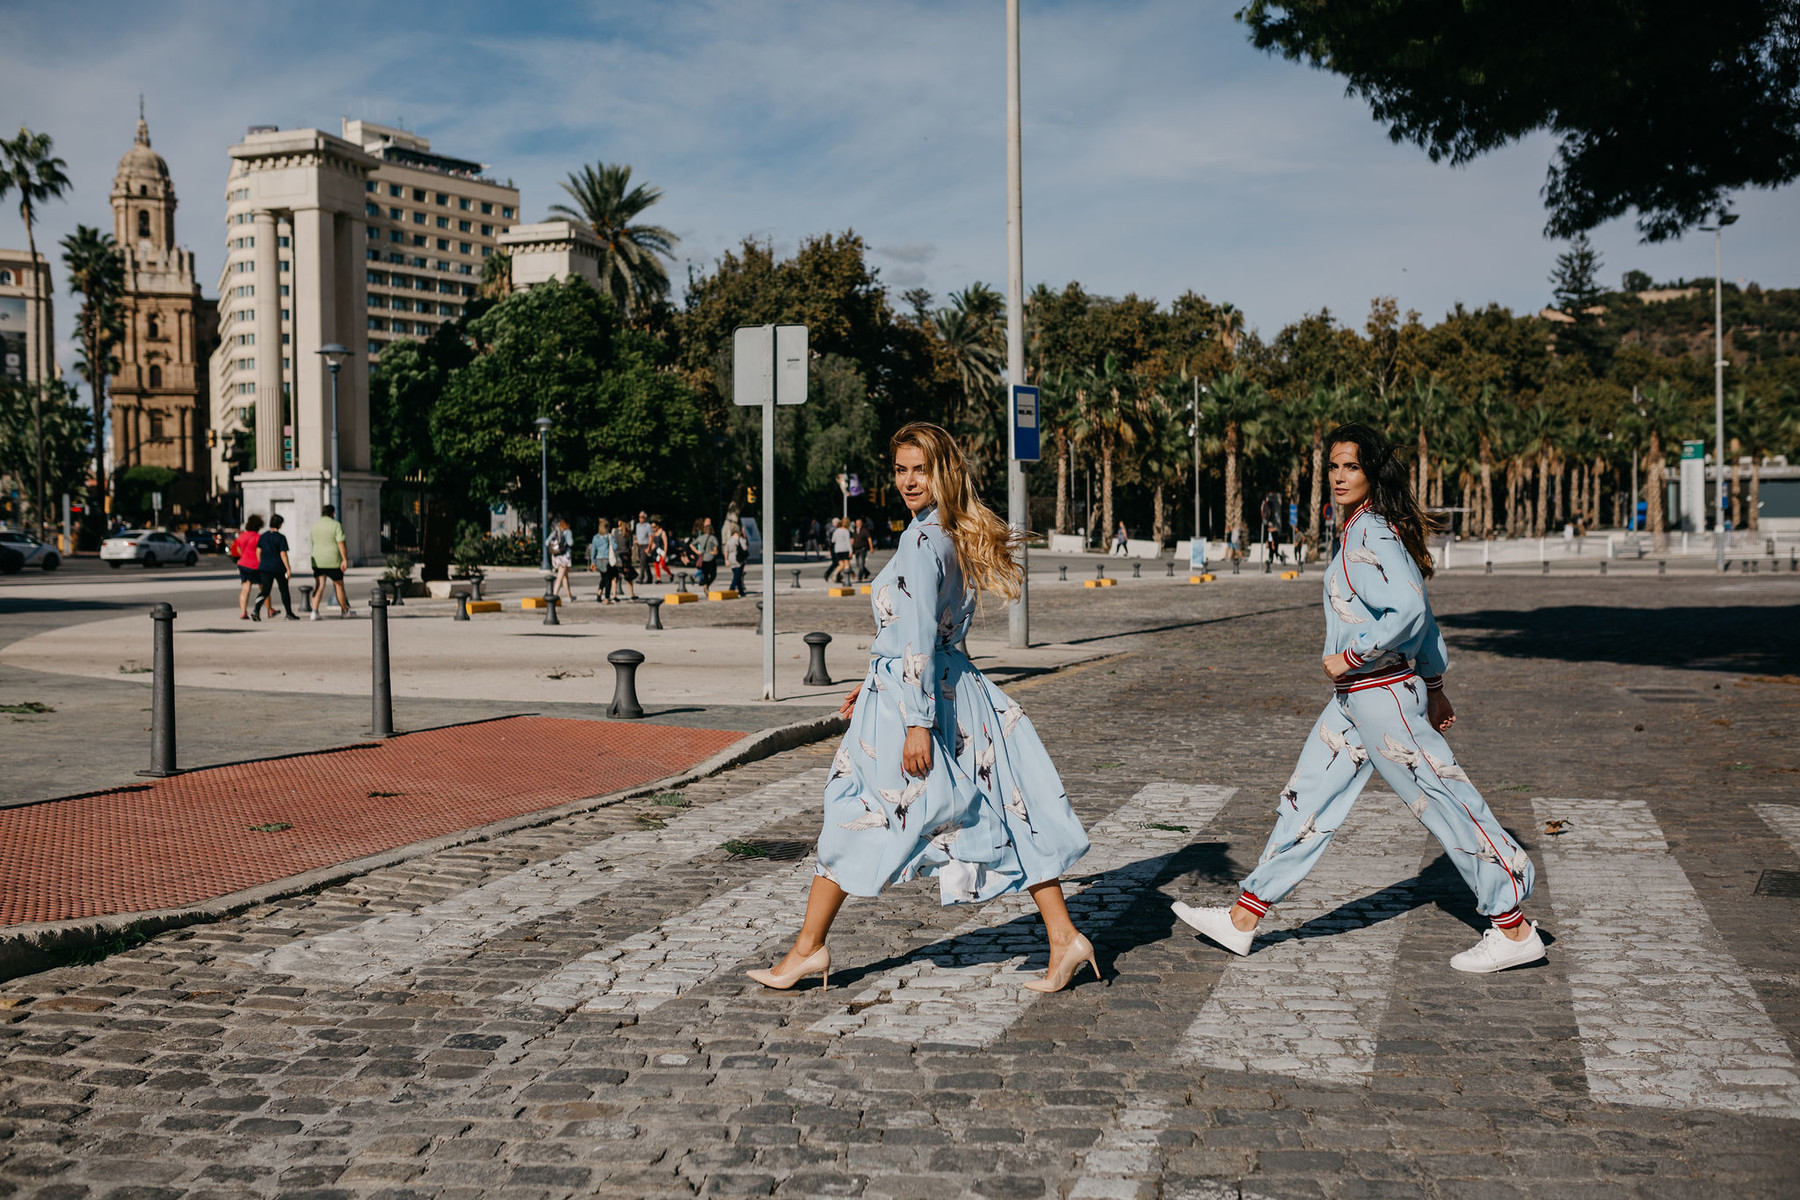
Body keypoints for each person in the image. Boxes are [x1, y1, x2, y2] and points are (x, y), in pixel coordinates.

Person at [1171, 422, 1546, 974]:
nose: (1341, 476)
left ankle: (1512, 927)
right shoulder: (1363, 529)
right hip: (1356, 700)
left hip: (1382, 694)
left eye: (1352, 466)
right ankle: (1243, 918)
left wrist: (1351, 655)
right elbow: (1426, 619)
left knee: (1443, 798)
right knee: (1309, 798)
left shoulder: (1371, 532)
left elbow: (1412, 611)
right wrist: (1436, 685)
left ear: (1371, 471)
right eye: (1335, 466)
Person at [747, 421, 1096, 995]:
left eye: (921, 469)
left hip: (916, 705)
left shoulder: (920, 541)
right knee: (1003, 808)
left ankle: (807, 950)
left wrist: (915, 720)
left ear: (943, 472)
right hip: (949, 688)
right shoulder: (948, 533)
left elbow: (913, 636)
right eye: (902, 469)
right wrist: (876, 680)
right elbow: (927, 634)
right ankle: (1064, 937)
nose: (910, 480)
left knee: (849, 810)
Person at [308, 504, 355, 620]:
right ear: (332, 513)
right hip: (333, 560)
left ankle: (314, 611)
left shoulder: (315, 526)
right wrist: (344, 559)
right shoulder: (336, 525)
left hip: (318, 560)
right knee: (339, 586)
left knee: (319, 585)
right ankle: (345, 611)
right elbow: (341, 543)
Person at [253, 514, 299, 621]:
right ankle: (289, 613)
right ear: (279, 524)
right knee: (284, 590)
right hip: (278, 567)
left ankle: (256, 610)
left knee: (265, 591)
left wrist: (262, 563)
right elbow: (283, 554)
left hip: (264, 567)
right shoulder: (281, 538)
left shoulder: (263, 536)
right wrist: (288, 568)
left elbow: (258, 551)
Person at [229, 515, 264, 620]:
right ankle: (270, 609)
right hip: (256, 565)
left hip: (243, 564)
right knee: (264, 588)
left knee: (245, 588)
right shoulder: (258, 537)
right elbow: (260, 552)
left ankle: (243, 612)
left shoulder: (241, 537)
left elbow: (239, 551)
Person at [547, 519, 574, 602]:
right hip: (564, 557)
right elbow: (570, 543)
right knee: (560, 576)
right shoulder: (568, 532)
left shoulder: (555, 532)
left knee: (565, 577)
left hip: (556, 556)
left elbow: (546, 542)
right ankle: (554, 594)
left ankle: (570, 596)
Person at [613, 516, 639, 601]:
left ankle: (614, 595)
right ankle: (631, 593)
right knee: (628, 576)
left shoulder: (615, 532)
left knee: (615, 576)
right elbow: (631, 546)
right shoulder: (628, 533)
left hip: (617, 555)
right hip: (626, 555)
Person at [591, 519, 616, 602]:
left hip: (599, 559)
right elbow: (615, 547)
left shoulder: (595, 537)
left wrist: (593, 562)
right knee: (608, 578)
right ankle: (607, 597)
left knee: (603, 577)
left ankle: (599, 591)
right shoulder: (608, 536)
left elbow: (593, 551)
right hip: (606, 559)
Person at [693, 517, 721, 589]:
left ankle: (703, 584)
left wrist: (697, 551)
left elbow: (691, 544)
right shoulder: (713, 538)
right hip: (710, 558)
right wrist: (713, 552)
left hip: (703, 557)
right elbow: (715, 550)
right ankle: (706, 585)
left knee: (705, 574)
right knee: (713, 575)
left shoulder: (701, 537)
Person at [724, 520, 749, 593]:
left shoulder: (729, 540)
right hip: (738, 559)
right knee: (737, 576)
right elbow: (745, 548)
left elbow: (726, 550)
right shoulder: (739, 539)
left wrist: (726, 560)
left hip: (730, 558)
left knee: (737, 575)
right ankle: (731, 588)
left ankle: (741, 591)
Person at [852, 517, 874, 581]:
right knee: (858, 564)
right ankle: (867, 572)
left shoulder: (865, 531)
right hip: (856, 549)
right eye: (857, 523)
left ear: (861, 523)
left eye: (859, 523)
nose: (858, 524)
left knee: (861, 564)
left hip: (863, 549)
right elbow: (852, 540)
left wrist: (871, 548)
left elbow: (869, 539)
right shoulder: (855, 531)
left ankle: (859, 578)